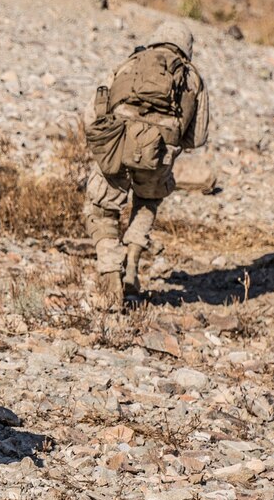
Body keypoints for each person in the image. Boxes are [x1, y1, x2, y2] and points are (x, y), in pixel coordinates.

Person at [84, 19, 210, 309]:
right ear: (187, 48)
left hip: (119, 144)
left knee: (102, 209)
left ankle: (109, 271)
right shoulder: (192, 77)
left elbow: (95, 112)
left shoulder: (130, 62)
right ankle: (131, 268)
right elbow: (198, 137)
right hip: (160, 153)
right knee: (146, 203)